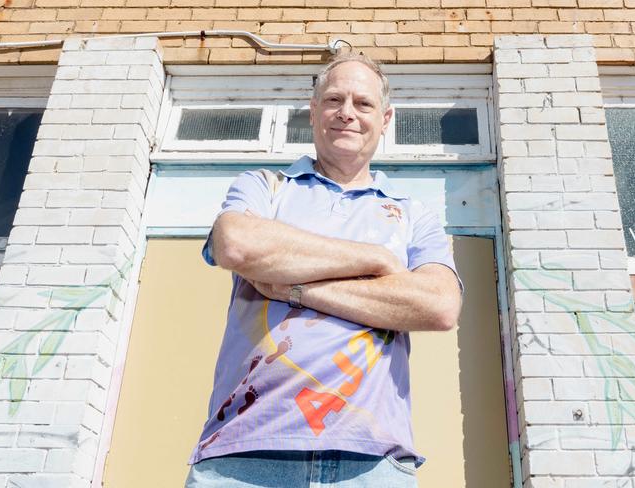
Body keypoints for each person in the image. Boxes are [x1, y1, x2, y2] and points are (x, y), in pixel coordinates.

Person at [185, 52, 463, 488]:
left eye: (363, 103)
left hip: (371, 462)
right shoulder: (266, 186)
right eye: (334, 100)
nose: (347, 113)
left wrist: (295, 289)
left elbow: (439, 306)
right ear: (313, 112)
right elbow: (236, 244)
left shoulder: (413, 214)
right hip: (244, 452)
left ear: (385, 118)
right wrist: (374, 261)